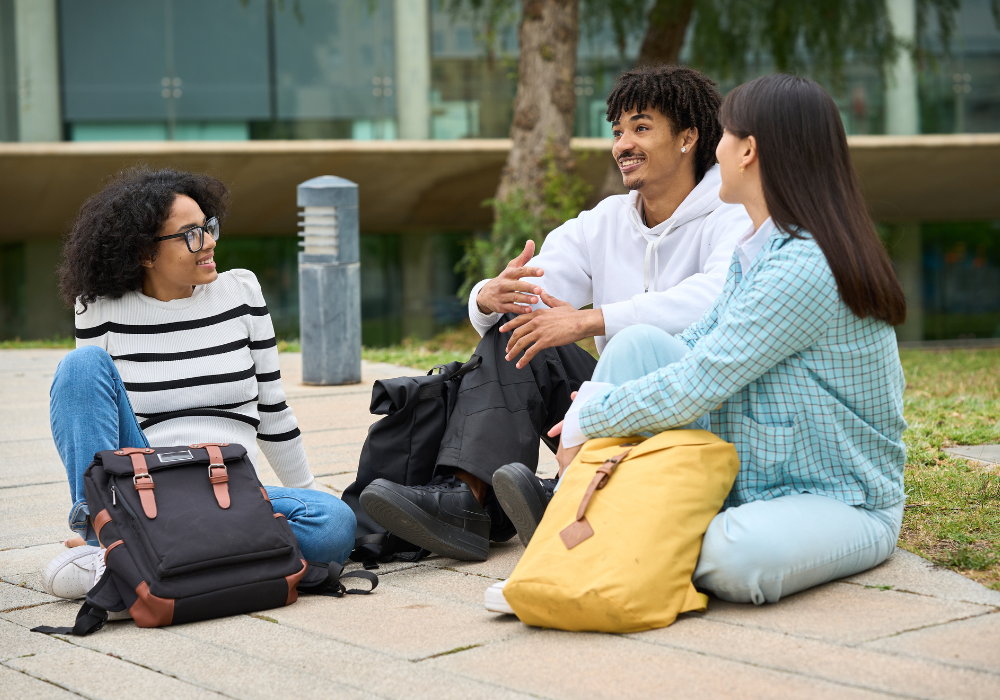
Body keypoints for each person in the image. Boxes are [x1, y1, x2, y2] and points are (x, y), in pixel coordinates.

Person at [486, 73, 908, 611]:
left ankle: (609, 529)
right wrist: (598, 399)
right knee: (638, 342)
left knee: (732, 555)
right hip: (748, 477)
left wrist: (590, 414)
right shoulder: (757, 249)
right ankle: (575, 538)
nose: (716, 146)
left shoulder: (805, 265)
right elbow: (695, 341)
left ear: (749, 151)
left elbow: (701, 380)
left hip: (837, 500)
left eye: (725, 135)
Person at [360, 65, 751, 561]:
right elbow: (535, 288)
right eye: (617, 131)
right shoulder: (605, 221)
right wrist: (490, 295)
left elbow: (715, 298)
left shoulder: (731, 210)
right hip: (609, 406)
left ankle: (565, 493)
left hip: (695, 406)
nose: (622, 144)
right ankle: (464, 500)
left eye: (641, 127)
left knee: (591, 337)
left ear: (688, 138)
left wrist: (592, 319)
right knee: (521, 328)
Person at [42, 168, 356, 602]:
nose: (209, 242)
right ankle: (105, 534)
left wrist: (306, 496)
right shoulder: (99, 309)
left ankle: (131, 563)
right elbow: (91, 414)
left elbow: (273, 412)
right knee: (81, 367)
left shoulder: (241, 292)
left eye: (208, 226)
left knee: (333, 523)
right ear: (144, 253)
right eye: (190, 234)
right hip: (149, 488)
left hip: (229, 485)